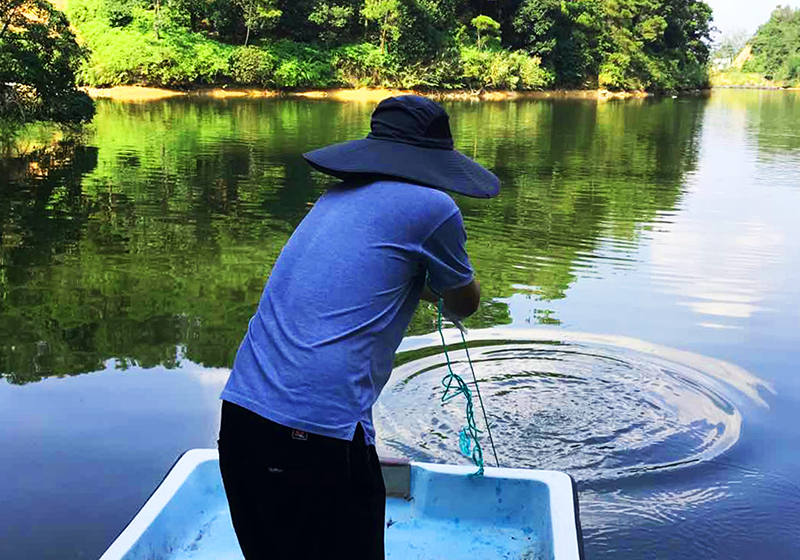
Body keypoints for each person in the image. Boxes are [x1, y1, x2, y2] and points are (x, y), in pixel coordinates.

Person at [217, 95, 500, 560]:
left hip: (241, 419)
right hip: (313, 437)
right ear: (436, 157)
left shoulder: (336, 196)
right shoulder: (434, 207)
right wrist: (443, 283)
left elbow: (370, 279)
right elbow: (463, 303)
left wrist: (415, 283)